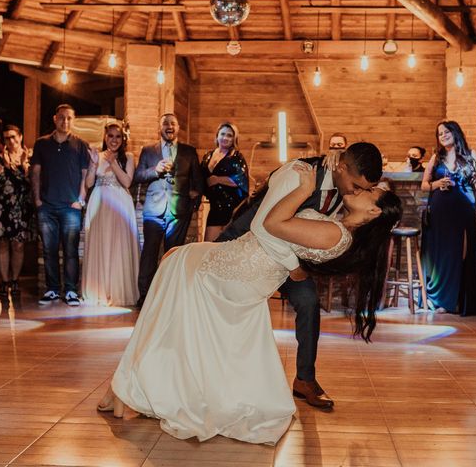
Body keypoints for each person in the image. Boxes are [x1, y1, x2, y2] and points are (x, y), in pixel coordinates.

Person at [97, 159, 402, 445]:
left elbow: (272, 224)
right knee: (176, 265)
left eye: (370, 191)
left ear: (374, 212)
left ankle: (147, 389)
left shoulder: (336, 233)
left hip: (242, 271)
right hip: (243, 261)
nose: (362, 190)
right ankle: (160, 386)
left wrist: (303, 189)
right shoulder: (337, 225)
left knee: (174, 268)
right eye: (364, 185)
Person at [217, 142, 384, 410]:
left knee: (308, 303)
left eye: (364, 188)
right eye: (356, 185)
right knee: (224, 307)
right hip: (245, 244)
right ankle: (222, 374)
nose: (358, 191)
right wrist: (294, 266)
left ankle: (305, 379)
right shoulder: (303, 173)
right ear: (340, 168)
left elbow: (376, 196)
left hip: (284, 259)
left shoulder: (349, 186)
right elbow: (263, 225)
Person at [133, 113, 204, 309]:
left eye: (173, 123)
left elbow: (198, 182)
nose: (169, 126)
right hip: (153, 210)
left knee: (173, 256)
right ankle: (145, 296)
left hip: (179, 213)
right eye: (165, 123)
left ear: (178, 127)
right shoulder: (148, 151)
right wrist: (155, 170)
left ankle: (170, 296)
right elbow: (138, 175)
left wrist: (192, 206)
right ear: (160, 128)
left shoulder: (189, 151)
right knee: (149, 253)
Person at [421, 120, 476, 315]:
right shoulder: (436, 157)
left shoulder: (470, 154)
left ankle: (459, 300)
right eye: (439, 133)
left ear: (455, 132)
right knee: (441, 256)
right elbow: (424, 185)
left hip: (463, 211)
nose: (443, 135)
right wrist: (436, 183)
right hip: (439, 211)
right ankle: (440, 300)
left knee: (461, 253)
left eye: (446, 131)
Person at [31, 104, 90, 307]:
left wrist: (80, 200)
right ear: (55, 118)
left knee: (71, 251)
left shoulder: (81, 145)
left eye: (69, 118)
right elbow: (36, 172)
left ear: (73, 120)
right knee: (49, 250)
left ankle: (71, 291)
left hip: (70, 208)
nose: (65, 121)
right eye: (62, 118)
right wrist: (38, 200)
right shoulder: (42, 144)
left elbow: (85, 175)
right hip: (46, 206)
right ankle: (52, 290)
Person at [81, 122, 139, 307]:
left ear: (123, 139)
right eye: (110, 136)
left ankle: (117, 290)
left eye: (118, 136)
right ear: (105, 138)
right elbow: (89, 183)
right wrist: (93, 163)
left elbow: (127, 182)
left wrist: (112, 162)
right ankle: (99, 291)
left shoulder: (128, 157)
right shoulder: (96, 156)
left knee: (118, 246)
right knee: (101, 244)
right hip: (99, 202)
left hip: (120, 204)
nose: (114, 140)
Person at [0, 125, 33, 298]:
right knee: (2, 242)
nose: (11, 141)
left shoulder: (29, 157)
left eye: (13, 137)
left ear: (20, 136)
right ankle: (4, 281)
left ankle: (15, 280)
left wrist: (19, 166)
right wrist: (4, 165)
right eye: (6, 138)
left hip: (20, 206)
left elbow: (30, 182)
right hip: (0, 206)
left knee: (18, 244)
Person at [200, 122, 248, 242]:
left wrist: (217, 180)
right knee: (208, 246)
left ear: (234, 139)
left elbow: (241, 180)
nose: (225, 138)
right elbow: (200, 177)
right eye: (222, 134)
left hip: (231, 207)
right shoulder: (208, 156)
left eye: (229, 135)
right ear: (217, 136)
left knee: (227, 246)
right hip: (215, 206)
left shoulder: (236, 156)